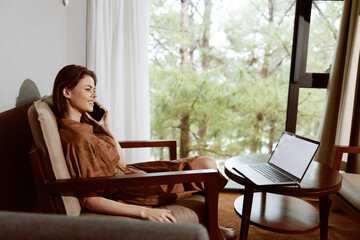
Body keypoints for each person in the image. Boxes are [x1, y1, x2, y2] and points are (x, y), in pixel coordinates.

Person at [52, 64, 235, 238]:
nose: (94, 95)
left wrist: (107, 129)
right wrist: (145, 212)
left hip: (131, 173)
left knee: (205, 162)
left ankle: (213, 225)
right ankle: (213, 231)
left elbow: (121, 163)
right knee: (206, 167)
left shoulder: (85, 126)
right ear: (67, 91)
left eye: (94, 90)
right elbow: (90, 199)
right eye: (88, 89)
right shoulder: (77, 139)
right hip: (129, 189)